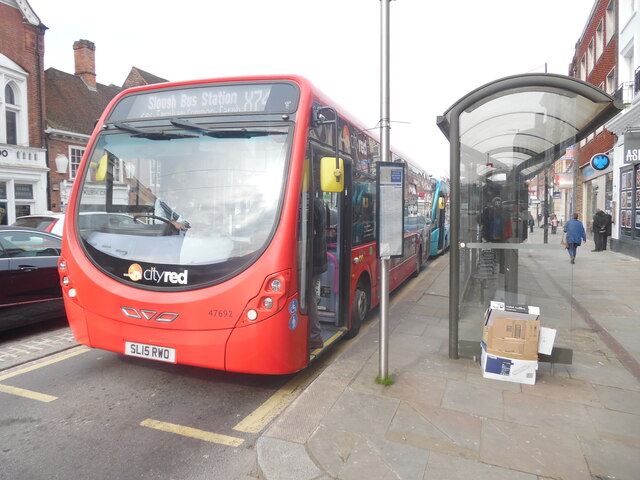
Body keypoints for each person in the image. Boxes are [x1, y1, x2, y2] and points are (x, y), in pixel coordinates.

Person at [308, 196, 327, 350]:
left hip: (311, 261)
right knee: (310, 296)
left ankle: (314, 336)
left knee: (308, 297)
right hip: (316, 259)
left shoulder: (311, 204)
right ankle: (314, 335)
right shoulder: (319, 202)